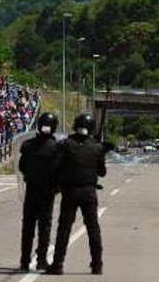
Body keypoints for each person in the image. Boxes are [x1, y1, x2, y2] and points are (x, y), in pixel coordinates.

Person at [46, 113, 106, 275]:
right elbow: (102, 172)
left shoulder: (66, 144)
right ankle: (97, 265)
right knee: (93, 229)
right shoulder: (97, 147)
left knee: (64, 228)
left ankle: (58, 264)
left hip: (70, 191)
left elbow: (55, 166)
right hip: (89, 192)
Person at [18, 112, 61, 271]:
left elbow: (22, 167)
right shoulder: (56, 148)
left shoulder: (28, 145)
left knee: (28, 226)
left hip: (31, 190)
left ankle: (24, 260)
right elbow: (60, 171)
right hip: (47, 191)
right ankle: (41, 259)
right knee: (44, 226)